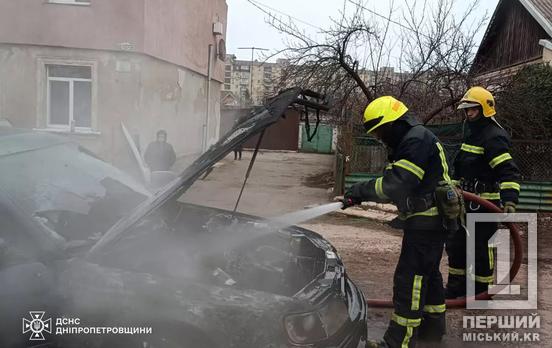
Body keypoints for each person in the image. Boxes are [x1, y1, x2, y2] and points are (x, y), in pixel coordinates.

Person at [344, 96, 453, 347]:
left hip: (427, 223)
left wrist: (360, 191)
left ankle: (397, 342)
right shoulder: (416, 137)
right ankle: (432, 331)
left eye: (380, 131)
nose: (380, 138)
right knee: (429, 275)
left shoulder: (415, 140)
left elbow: (397, 184)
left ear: (393, 123)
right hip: (432, 222)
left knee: (410, 281)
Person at [446, 87, 521, 299]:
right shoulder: (471, 135)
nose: (468, 114)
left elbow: (508, 172)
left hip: (484, 204)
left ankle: (480, 292)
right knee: (456, 245)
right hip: (463, 202)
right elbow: (460, 169)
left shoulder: (494, 137)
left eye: (473, 109)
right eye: (467, 110)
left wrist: (509, 201)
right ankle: (456, 289)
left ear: (485, 109)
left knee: (480, 249)